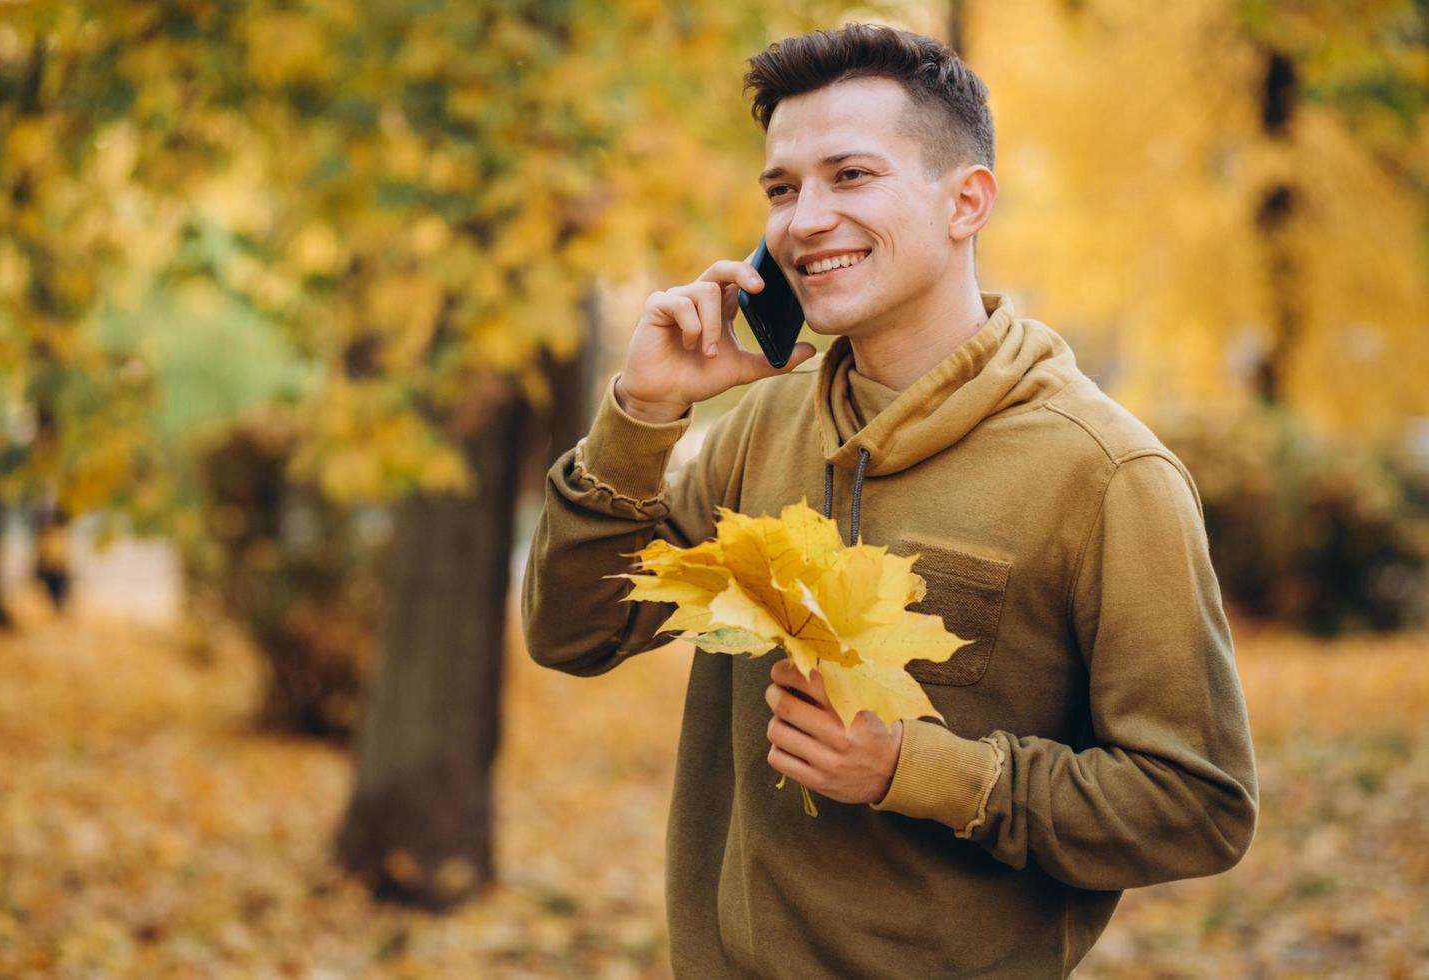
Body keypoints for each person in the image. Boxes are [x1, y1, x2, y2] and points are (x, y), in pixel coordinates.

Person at [521, 22, 1257, 978]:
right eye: (781, 190)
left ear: (967, 202)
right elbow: (572, 636)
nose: (802, 220)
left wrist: (919, 771)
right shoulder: (758, 426)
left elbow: (1199, 807)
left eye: (850, 176)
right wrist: (644, 411)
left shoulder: (1109, 475)